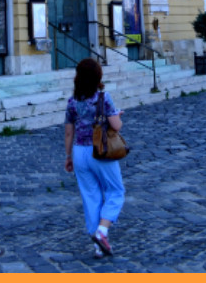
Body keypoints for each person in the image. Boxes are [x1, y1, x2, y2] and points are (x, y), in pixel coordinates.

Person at [64, 58, 125, 259]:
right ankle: (103, 231)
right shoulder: (103, 98)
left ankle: (98, 245)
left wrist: (68, 156)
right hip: (100, 150)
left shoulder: (72, 102)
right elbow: (116, 126)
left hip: (80, 152)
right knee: (115, 190)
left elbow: (68, 132)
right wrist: (117, 114)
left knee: (90, 196)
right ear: (98, 76)